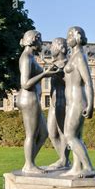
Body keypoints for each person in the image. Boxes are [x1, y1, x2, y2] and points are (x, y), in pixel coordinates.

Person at [17, 30, 59, 174]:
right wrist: (45, 74)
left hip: (33, 99)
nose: (42, 44)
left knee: (44, 133)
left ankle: (29, 163)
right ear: (34, 41)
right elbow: (25, 83)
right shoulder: (26, 58)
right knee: (31, 134)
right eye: (40, 41)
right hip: (29, 99)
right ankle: (29, 165)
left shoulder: (31, 57)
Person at [62, 26, 95, 178]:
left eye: (70, 34)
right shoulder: (73, 56)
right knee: (76, 137)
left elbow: (88, 82)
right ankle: (76, 167)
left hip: (78, 101)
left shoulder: (80, 57)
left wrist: (91, 104)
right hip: (71, 101)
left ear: (77, 37)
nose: (67, 37)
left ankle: (89, 167)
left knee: (69, 135)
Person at [47, 37, 70, 169]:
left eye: (53, 46)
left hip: (63, 101)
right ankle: (63, 159)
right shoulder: (54, 64)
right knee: (52, 133)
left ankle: (64, 160)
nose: (50, 48)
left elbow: (74, 83)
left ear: (61, 48)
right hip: (54, 103)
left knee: (63, 133)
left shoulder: (67, 64)